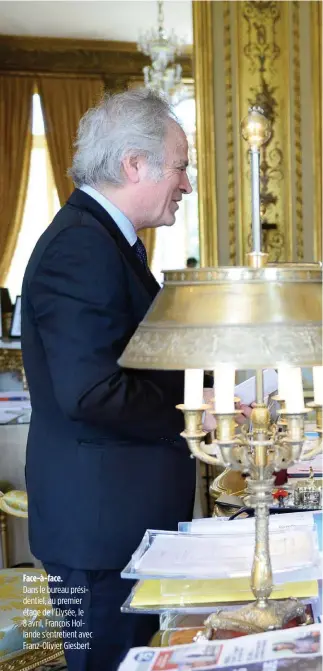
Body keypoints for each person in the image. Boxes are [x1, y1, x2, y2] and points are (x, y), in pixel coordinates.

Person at [21, 88, 211, 671]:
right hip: (99, 537)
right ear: (135, 164)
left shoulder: (105, 241)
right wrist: (193, 412)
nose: (186, 183)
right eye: (180, 166)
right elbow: (91, 392)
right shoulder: (81, 247)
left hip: (113, 524)